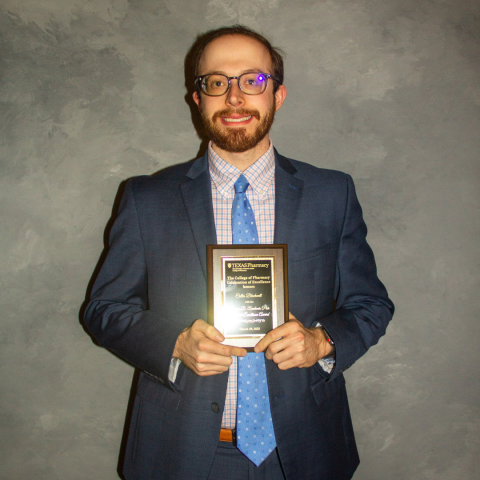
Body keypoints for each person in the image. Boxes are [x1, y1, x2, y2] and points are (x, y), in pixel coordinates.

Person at [84, 25, 394, 480]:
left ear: (278, 95)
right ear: (198, 98)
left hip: (304, 452)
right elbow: (103, 309)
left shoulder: (332, 194)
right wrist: (173, 344)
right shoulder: (147, 199)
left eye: (253, 80)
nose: (234, 97)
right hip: (182, 453)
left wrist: (321, 341)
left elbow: (371, 305)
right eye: (217, 82)